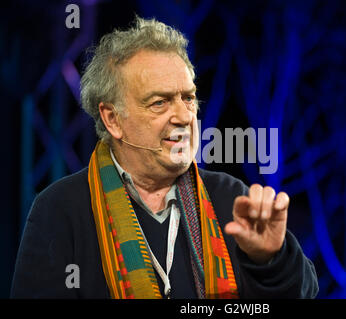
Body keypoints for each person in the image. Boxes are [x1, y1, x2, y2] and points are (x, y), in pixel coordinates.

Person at [11, 17, 318, 299]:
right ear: (112, 119)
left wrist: (271, 259)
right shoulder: (60, 209)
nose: (185, 116)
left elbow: (303, 293)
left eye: (188, 97)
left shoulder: (231, 198)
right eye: (159, 102)